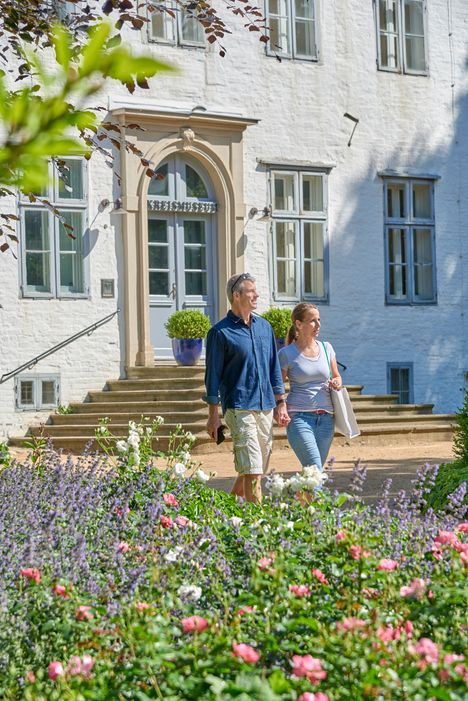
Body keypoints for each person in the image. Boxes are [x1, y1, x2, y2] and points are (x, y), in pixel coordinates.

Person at [204, 273, 289, 503]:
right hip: (239, 407)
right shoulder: (219, 333)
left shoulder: (265, 328)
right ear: (237, 295)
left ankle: (223, 512)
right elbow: (212, 378)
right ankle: (258, 527)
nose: (257, 295)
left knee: (255, 469)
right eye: (252, 291)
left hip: (266, 406)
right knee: (253, 471)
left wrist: (281, 402)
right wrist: (213, 416)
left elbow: (273, 368)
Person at [278, 303, 342, 472]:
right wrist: (280, 406)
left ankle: (299, 499)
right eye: (313, 321)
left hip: (327, 420)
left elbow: (337, 376)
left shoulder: (327, 348)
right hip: (299, 418)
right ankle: (322, 500)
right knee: (314, 469)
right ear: (299, 324)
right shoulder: (286, 354)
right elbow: (277, 386)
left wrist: (337, 382)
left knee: (311, 475)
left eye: (319, 320)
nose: (318, 325)